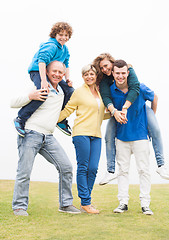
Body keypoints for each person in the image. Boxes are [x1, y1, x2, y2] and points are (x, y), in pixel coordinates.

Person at [11, 61, 80, 216]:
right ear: (47, 72)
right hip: (30, 134)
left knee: (66, 167)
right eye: (53, 71)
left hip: (48, 137)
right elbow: (12, 102)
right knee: (24, 171)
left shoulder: (63, 92)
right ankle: (20, 207)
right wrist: (31, 96)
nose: (57, 74)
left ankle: (66, 204)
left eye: (60, 72)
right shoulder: (39, 87)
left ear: (64, 74)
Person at [93, 53, 169, 184]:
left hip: (140, 108)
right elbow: (105, 97)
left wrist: (148, 116)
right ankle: (110, 171)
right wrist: (114, 111)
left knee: (155, 129)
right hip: (116, 111)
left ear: (112, 62)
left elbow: (136, 88)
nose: (105, 69)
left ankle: (161, 165)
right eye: (102, 68)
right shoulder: (105, 80)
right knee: (109, 135)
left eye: (106, 66)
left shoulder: (129, 70)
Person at [58, 64, 110, 214]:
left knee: (93, 168)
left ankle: (86, 200)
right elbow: (68, 109)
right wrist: (53, 119)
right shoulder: (79, 92)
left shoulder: (99, 93)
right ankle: (86, 202)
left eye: (91, 74)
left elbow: (99, 113)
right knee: (83, 167)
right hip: (81, 133)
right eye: (86, 74)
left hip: (96, 135)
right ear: (83, 77)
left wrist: (114, 114)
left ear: (96, 76)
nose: (89, 77)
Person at [14, 22, 74, 138]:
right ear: (55, 34)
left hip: (51, 73)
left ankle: (60, 119)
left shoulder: (64, 49)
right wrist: (43, 81)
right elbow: (41, 61)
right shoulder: (51, 46)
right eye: (61, 34)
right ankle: (21, 118)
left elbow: (66, 65)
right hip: (38, 71)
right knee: (43, 92)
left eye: (66, 35)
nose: (63, 37)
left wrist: (68, 79)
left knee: (70, 91)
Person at [111, 60, 155, 215]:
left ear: (128, 73)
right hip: (121, 137)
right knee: (122, 170)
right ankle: (123, 203)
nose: (120, 76)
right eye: (117, 73)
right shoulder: (111, 89)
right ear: (113, 73)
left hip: (140, 136)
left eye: (123, 73)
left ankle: (145, 204)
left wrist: (151, 118)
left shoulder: (140, 88)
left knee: (144, 170)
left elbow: (154, 97)